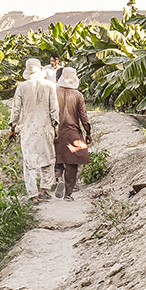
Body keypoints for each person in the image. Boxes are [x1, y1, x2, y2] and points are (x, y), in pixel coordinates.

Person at [9, 58, 59, 204]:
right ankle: (44, 190)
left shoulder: (22, 87)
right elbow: (54, 109)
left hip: (29, 128)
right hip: (45, 127)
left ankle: (33, 195)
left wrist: (13, 127)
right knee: (48, 159)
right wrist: (56, 127)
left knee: (29, 162)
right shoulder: (50, 86)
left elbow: (16, 110)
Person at [53, 67, 91, 201]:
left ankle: (58, 179)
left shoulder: (54, 92)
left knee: (58, 157)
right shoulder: (77, 95)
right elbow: (83, 116)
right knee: (73, 162)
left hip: (56, 130)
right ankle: (68, 194)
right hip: (72, 130)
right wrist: (88, 132)